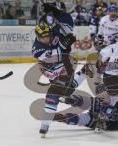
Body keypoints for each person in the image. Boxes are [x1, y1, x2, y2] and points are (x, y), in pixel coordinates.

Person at [32, 2, 78, 137]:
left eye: (47, 35)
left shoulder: (53, 30)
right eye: (42, 37)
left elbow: (66, 32)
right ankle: (46, 122)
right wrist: (64, 46)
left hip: (64, 65)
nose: (44, 38)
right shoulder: (37, 49)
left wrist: (55, 12)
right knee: (55, 92)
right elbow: (54, 55)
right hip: (50, 69)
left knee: (67, 86)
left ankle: (70, 95)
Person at [54, 95, 118, 132]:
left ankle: (71, 101)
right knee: (89, 119)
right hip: (117, 124)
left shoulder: (112, 95)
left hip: (117, 117)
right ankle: (65, 117)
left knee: (94, 104)